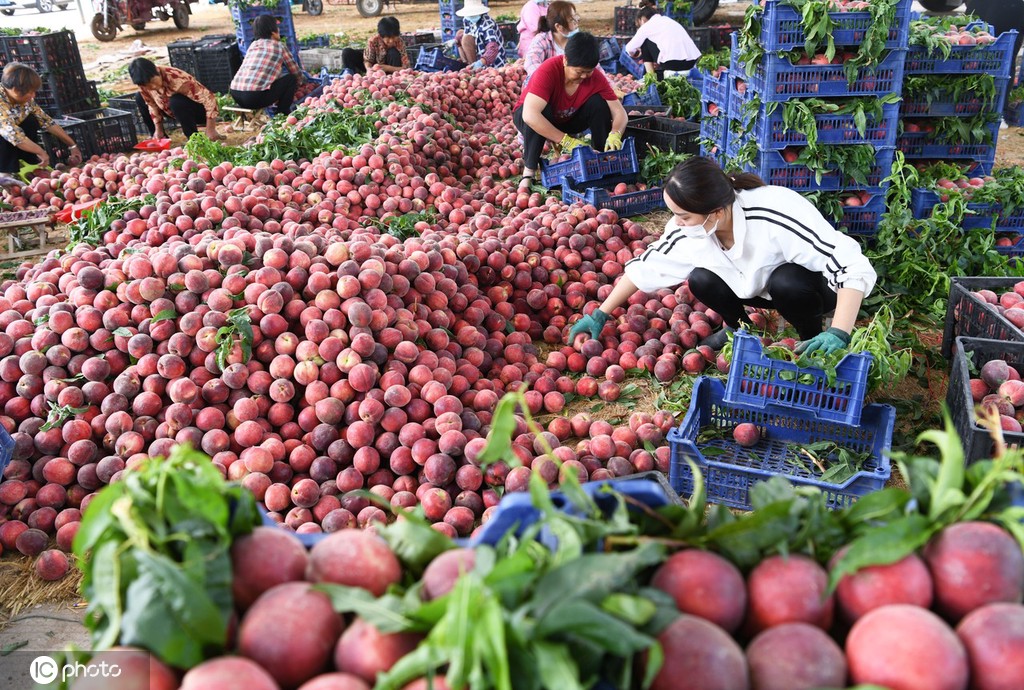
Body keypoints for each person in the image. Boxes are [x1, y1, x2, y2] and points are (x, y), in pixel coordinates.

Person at [567, 157, 878, 354]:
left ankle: (813, 337)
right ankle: (738, 330)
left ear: (715, 212)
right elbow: (649, 264)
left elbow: (851, 265)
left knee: (788, 281)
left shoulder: (774, 212)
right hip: (756, 290)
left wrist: (840, 331)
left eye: (683, 216)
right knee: (700, 279)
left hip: (814, 291)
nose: (676, 223)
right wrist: (600, 313)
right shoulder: (692, 228)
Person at [513, 32, 628, 190]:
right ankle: (529, 172)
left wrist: (615, 133)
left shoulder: (595, 78)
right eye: (579, 71)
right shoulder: (548, 70)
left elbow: (619, 112)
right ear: (565, 60)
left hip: (567, 118)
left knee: (599, 103)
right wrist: (566, 141)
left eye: (588, 71)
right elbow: (530, 115)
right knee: (541, 111)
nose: (584, 76)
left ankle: (600, 160)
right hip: (530, 117)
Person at [0, 63, 82, 173]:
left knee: (31, 120)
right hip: (7, 138)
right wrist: (40, 152)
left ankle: (26, 162)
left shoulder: (25, 100)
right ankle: (4, 172)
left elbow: (46, 121)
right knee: (6, 132)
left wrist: (72, 145)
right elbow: (15, 136)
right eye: (30, 92)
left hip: (13, 137)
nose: (33, 95)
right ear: (15, 90)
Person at [129, 58, 220, 141]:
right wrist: (158, 129)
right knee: (139, 97)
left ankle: (193, 138)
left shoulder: (177, 78)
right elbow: (152, 105)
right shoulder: (142, 85)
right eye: (147, 85)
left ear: (157, 70)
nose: (153, 87)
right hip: (171, 111)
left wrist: (210, 129)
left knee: (176, 101)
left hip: (197, 112)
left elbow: (209, 99)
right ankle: (158, 136)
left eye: (153, 81)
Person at [229, 15, 304, 114]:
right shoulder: (280, 46)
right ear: (273, 32)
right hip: (254, 97)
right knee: (291, 79)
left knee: (274, 80)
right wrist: (301, 84)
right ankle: (282, 113)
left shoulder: (253, 45)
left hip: (236, 93)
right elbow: (295, 72)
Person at [624, 5, 701, 77]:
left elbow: (629, 49)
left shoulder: (647, 26)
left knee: (645, 42)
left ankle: (651, 79)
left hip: (673, 64)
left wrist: (636, 54)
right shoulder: (668, 20)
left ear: (642, 19)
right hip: (691, 62)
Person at [523, 1, 580, 76]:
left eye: (575, 17)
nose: (576, 23)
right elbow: (531, 63)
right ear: (558, 27)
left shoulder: (578, 41)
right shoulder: (542, 40)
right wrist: (549, 77)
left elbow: (592, 63)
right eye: (571, 20)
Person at [341, 16, 411, 75]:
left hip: (391, 71)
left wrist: (387, 68)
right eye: (388, 38)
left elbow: (406, 68)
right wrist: (369, 69)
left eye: (393, 37)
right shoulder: (373, 41)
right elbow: (367, 60)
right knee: (347, 52)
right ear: (381, 36)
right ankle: (352, 77)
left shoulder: (399, 42)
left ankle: (392, 79)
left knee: (393, 52)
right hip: (374, 69)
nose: (391, 41)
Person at [454, 0, 507, 69]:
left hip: (494, 62)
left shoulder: (487, 24)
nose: (471, 16)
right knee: (460, 33)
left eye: (473, 14)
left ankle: (475, 69)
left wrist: (481, 62)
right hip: (479, 51)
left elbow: (493, 48)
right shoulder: (467, 19)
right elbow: (468, 33)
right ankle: (468, 64)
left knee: (466, 39)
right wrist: (458, 41)